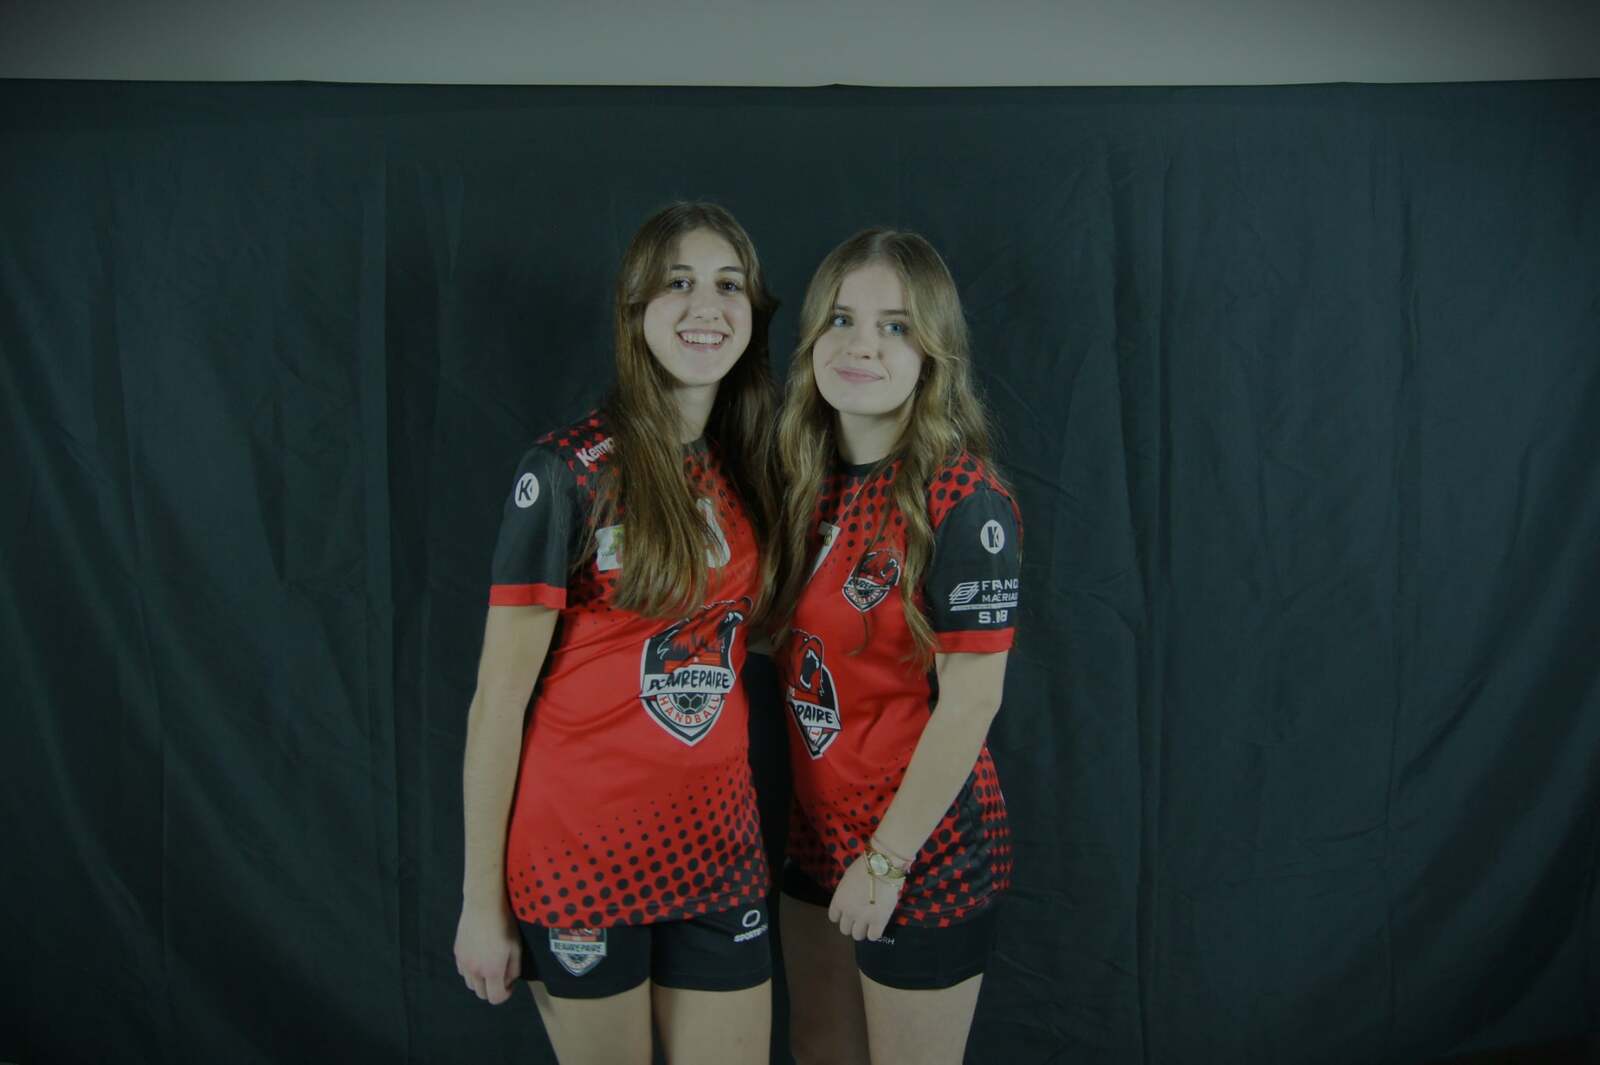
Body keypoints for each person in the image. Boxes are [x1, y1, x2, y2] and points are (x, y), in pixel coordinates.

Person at [453, 202, 781, 1065]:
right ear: (635, 307)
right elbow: (497, 702)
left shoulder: (750, 464)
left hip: (719, 851)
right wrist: (480, 904)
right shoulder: (566, 471)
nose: (707, 306)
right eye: (678, 282)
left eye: (728, 285)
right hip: (583, 857)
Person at [773, 229, 1021, 1065]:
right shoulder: (804, 476)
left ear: (933, 352)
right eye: (842, 319)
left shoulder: (963, 495)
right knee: (819, 1050)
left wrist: (887, 861)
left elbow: (974, 700)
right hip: (815, 834)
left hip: (923, 847)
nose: (862, 345)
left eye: (896, 326)